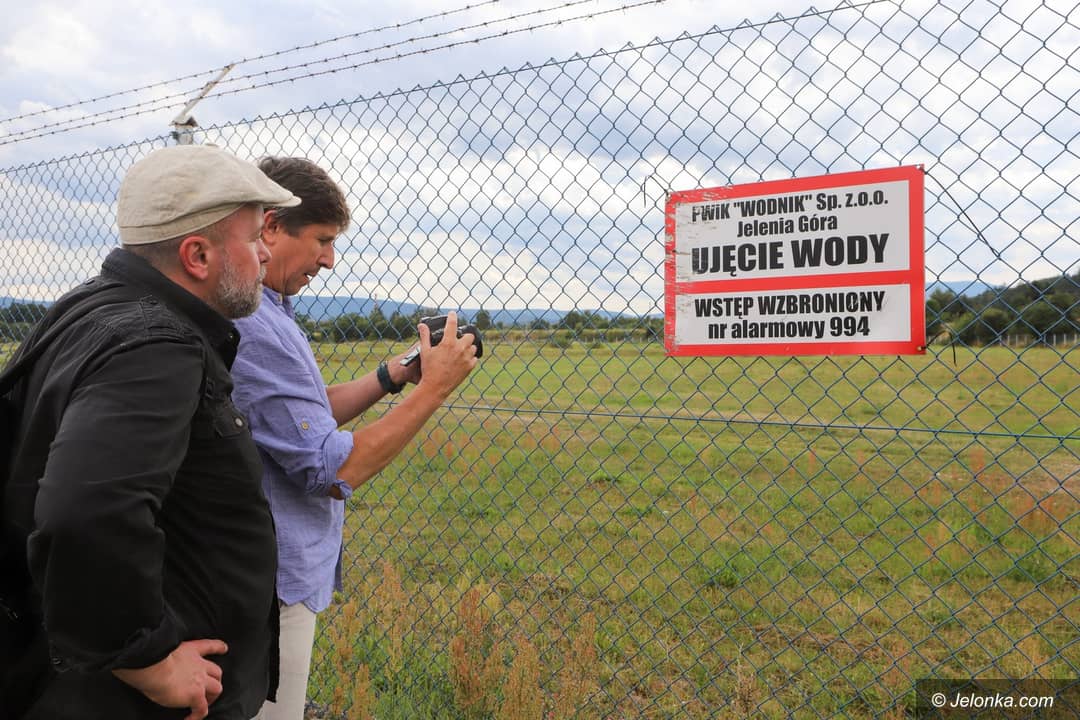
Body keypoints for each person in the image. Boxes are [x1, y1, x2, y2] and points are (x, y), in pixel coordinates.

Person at [1, 144, 298, 720]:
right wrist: (146, 659)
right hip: (131, 701)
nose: (266, 253)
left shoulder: (89, 309)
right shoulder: (155, 347)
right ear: (198, 255)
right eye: (254, 237)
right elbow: (88, 511)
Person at [228, 157, 477, 720]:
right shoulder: (254, 324)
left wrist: (393, 376)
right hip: (270, 583)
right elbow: (332, 469)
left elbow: (299, 419)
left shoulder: (269, 310)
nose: (329, 260)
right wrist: (433, 389)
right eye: (322, 240)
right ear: (272, 226)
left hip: (263, 572)